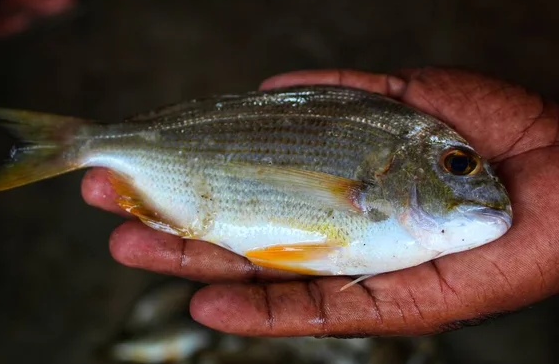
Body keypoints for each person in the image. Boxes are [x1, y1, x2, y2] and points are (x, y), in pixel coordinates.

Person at [81, 67, 559, 337]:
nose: (482, 185)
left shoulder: (416, 232)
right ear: (394, 172)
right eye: (459, 164)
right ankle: (81, 143)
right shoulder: (397, 163)